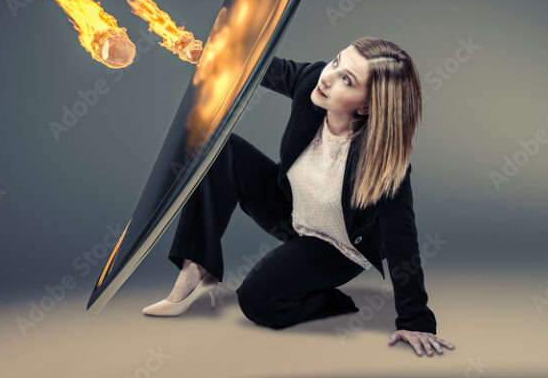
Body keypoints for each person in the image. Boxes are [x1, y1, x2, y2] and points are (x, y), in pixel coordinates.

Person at [142, 36, 454, 357]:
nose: (328, 77)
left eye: (347, 79)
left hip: (337, 247)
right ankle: (197, 269)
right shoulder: (312, 84)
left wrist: (416, 321)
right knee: (220, 147)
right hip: (293, 212)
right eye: (336, 62)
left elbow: (402, 242)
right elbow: (258, 66)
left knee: (256, 301)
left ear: (366, 106)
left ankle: (330, 299)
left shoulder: (385, 164)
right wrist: (209, 52)